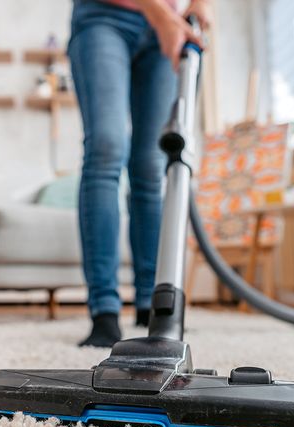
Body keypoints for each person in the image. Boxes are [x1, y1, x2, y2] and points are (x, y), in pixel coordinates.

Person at [70, 0, 212, 347]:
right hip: (104, 15)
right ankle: (104, 311)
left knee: (152, 165)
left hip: (171, 23)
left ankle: (152, 305)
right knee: (106, 149)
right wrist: (160, 13)